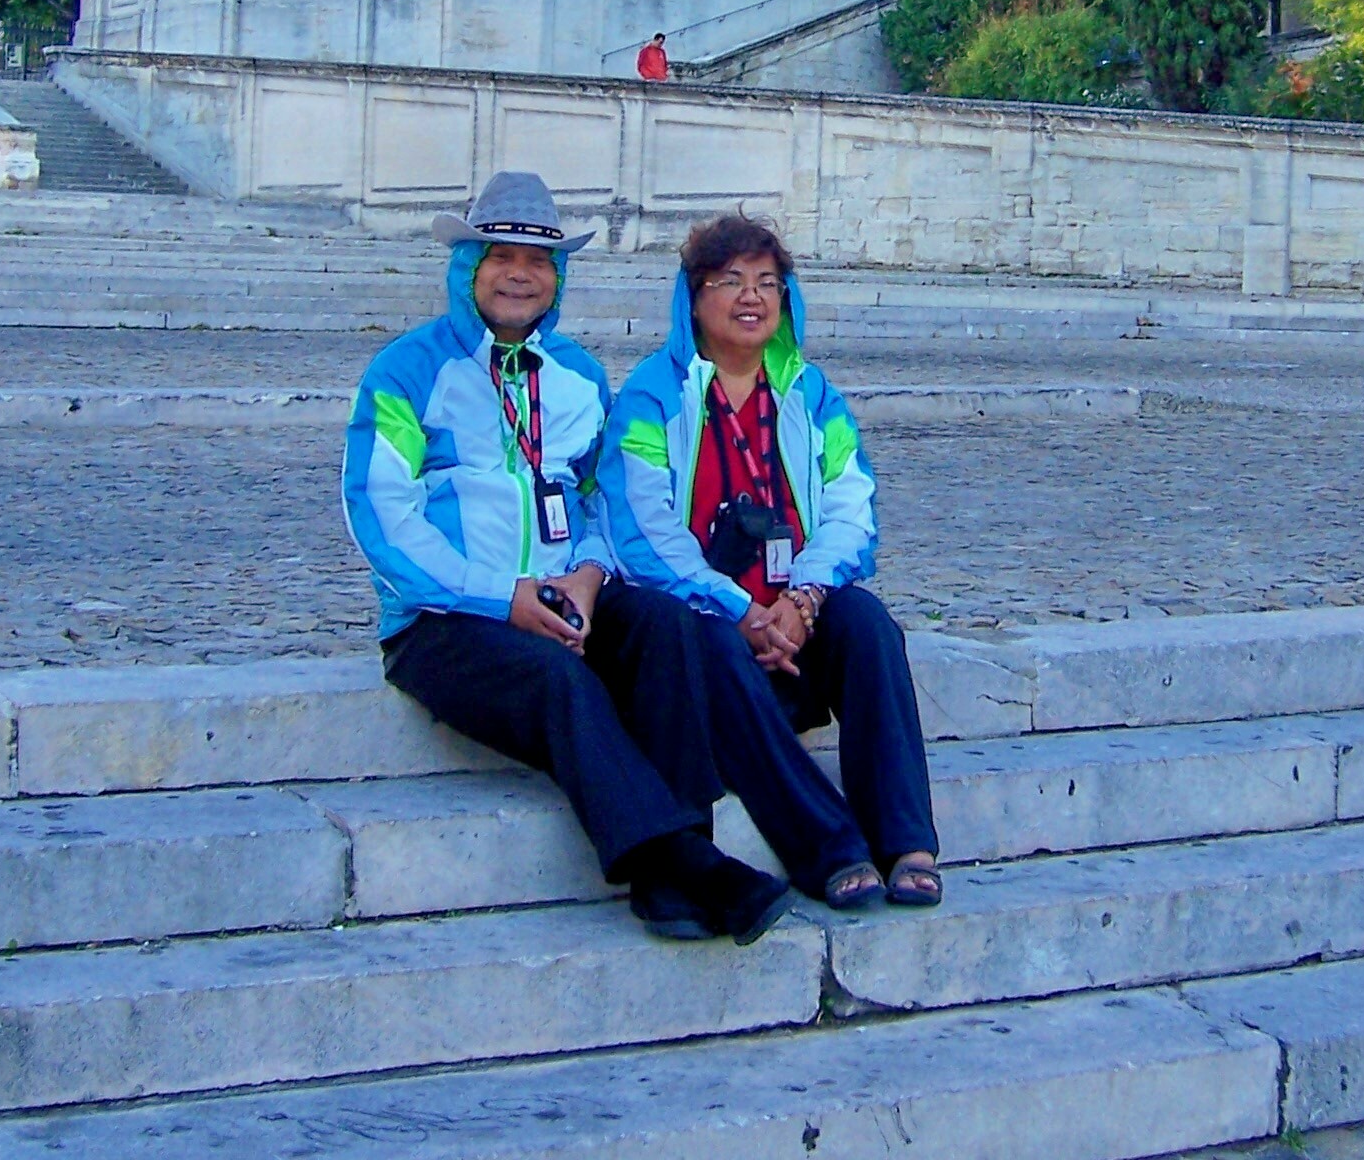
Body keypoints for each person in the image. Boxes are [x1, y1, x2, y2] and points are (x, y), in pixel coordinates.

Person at [345, 171, 846, 943]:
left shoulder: (578, 376)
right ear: (467, 268)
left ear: (558, 278)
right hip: (444, 619)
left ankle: (682, 878)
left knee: (669, 626)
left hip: (562, 596)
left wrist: (584, 575)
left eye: (538, 261)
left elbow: (595, 501)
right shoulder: (406, 374)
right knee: (557, 679)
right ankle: (678, 866)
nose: (520, 274)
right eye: (500, 255)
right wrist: (501, 596)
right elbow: (383, 519)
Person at [606, 214, 943, 907]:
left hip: (793, 625)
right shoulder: (651, 397)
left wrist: (806, 599)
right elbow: (642, 533)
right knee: (708, 643)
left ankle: (907, 838)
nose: (751, 297)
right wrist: (742, 612)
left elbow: (854, 506)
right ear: (692, 298)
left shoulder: (810, 395)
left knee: (868, 624)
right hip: (712, 635)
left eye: (767, 282)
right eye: (729, 280)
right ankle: (828, 847)